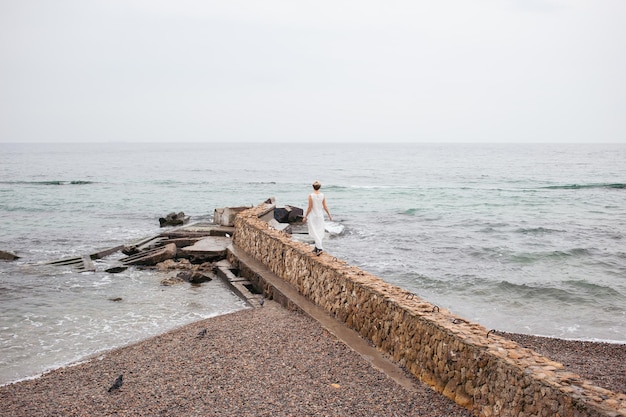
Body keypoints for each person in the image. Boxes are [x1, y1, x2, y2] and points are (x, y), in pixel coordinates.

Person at [302, 180, 332, 255]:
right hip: (320, 216)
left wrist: (305, 216)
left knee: (314, 231)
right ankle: (316, 247)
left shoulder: (311, 196)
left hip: (313, 215)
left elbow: (309, 207)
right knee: (319, 231)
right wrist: (329, 215)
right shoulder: (322, 195)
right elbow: (325, 206)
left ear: (313, 187)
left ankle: (319, 248)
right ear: (319, 187)